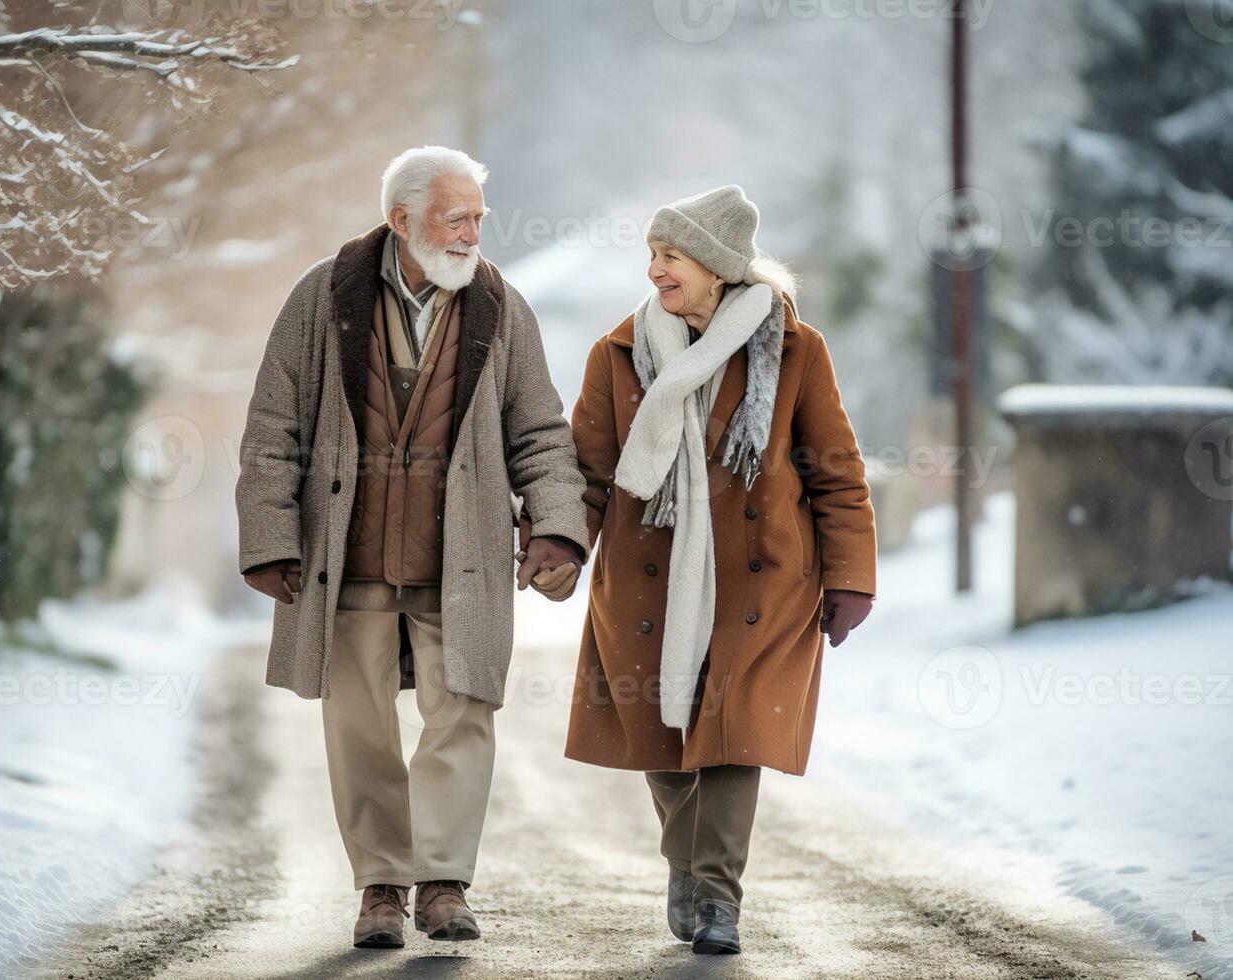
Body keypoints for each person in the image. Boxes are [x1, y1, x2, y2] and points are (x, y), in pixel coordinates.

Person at [233, 145, 588, 950]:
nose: (471, 234)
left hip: (459, 561)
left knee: (463, 716)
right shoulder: (322, 296)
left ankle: (443, 884)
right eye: (453, 218)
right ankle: (381, 890)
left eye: (477, 219)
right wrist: (269, 536)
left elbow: (539, 432)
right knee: (358, 727)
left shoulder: (502, 306)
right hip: (345, 560)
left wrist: (558, 526)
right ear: (402, 220)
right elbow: (272, 426)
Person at [560, 186, 877, 955]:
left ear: (716, 267)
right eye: (653, 255)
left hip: (764, 579)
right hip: (649, 572)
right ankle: (687, 868)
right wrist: (560, 543)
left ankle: (719, 898)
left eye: (670, 255)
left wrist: (851, 576)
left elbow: (835, 470)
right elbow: (587, 471)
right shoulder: (620, 350)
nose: (655, 270)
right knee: (661, 723)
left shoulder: (794, 350)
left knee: (737, 731)